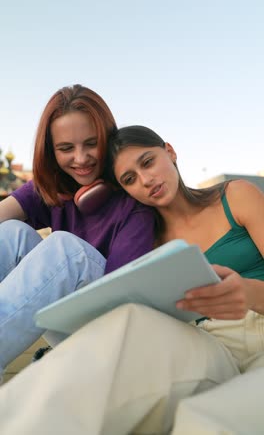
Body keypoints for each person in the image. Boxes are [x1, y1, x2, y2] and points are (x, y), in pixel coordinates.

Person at [0, 124, 264, 435]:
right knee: (120, 337)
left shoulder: (235, 196)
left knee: (207, 421)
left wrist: (247, 292)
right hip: (203, 342)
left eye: (148, 162)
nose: (145, 180)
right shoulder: (145, 239)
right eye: (129, 180)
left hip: (257, 329)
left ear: (169, 151)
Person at [0, 92, 155, 377]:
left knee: (67, 250)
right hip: (68, 323)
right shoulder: (55, 188)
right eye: (66, 148)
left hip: (117, 329)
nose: (80, 158)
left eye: (92, 144)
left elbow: (124, 298)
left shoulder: (134, 200)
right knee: (11, 233)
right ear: (51, 151)